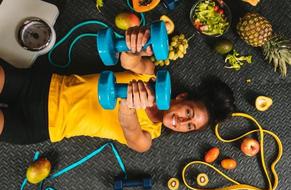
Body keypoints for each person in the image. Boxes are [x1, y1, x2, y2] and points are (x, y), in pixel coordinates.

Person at [0, 26, 235, 153]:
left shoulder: (146, 138)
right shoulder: (151, 76)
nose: (182, 122)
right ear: (182, 97)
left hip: (42, 125)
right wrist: (134, 42)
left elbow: (129, 131)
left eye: (189, 126)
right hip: (44, 86)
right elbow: (128, 60)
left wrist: (129, 105)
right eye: (188, 114)